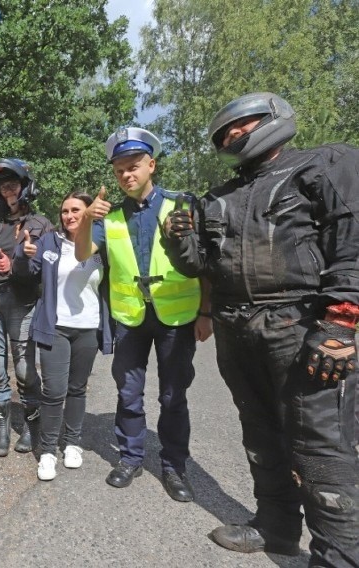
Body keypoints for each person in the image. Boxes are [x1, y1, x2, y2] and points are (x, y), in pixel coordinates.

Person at [163, 92, 359, 565]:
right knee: (260, 436)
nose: (232, 135)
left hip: (302, 323)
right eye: (224, 133)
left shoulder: (322, 165)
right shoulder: (219, 197)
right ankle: (275, 530)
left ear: (273, 119)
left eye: (242, 125)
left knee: (321, 445)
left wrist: (342, 321)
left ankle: (338, 555)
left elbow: (350, 242)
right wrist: (179, 243)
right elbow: (201, 267)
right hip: (237, 328)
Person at [75, 127, 208, 502]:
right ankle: (131, 457)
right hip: (130, 318)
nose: (126, 175)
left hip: (176, 317)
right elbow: (82, 254)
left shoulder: (181, 206)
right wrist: (85, 219)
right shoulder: (108, 215)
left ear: (151, 165)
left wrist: (207, 313)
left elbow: (205, 262)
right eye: (119, 170)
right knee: (128, 392)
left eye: (133, 167)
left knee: (173, 396)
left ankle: (173, 466)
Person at [14, 192, 111, 481]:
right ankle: (46, 451)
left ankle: (73, 443)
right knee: (53, 391)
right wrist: (22, 253)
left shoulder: (101, 244)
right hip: (55, 327)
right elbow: (26, 273)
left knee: (77, 389)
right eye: (65, 210)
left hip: (89, 327)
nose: (69, 215)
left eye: (76, 210)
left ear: (89, 212)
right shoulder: (48, 242)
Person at [0, 158, 54, 457]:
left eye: (13, 184)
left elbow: (47, 269)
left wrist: (17, 265)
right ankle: (3, 428)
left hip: (23, 301)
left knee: (24, 369)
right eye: (3, 185)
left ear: (26, 186)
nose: (8, 190)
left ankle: (31, 426)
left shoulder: (40, 224)